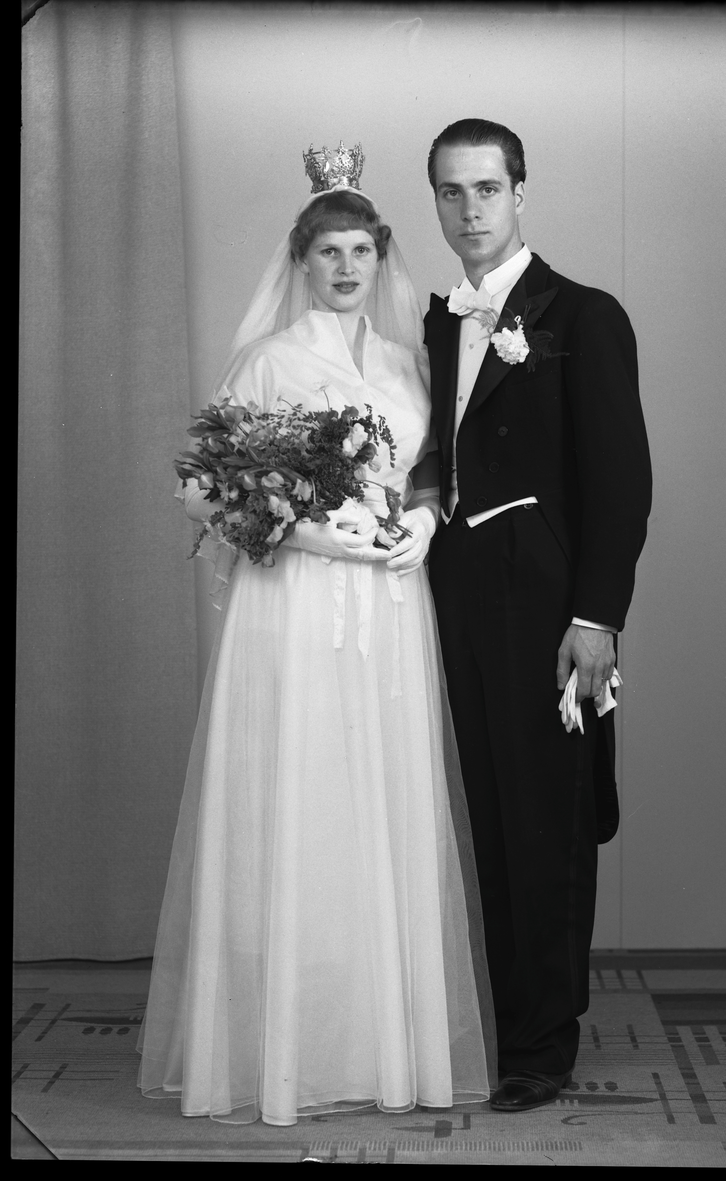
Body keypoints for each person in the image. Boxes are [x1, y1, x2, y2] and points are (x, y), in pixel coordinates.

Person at [137, 145, 492, 1125]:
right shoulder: (271, 360)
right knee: (306, 793)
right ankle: (287, 1050)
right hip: (295, 602)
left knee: (381, 794)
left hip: (391, 602)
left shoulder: (406, 362)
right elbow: (204, 487)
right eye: (328, 251)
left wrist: (421, 520)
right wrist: (309, 533)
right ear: (301, 261)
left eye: (360, 251)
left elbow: (432, 466)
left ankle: (384, 1049)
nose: (345, 267)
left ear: (381, 258)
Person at [423, 119, 652, 1113]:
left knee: (546, 822)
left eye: (486, 188)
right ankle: (506, 1022)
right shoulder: (438, 322)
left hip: (550, 608)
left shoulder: (584, 315)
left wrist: (596, 618)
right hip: (455, 597)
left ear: (520, 192)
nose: (469, 209)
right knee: (488, 814)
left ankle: (540, 1051)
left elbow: (622, 485)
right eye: (450, 191)